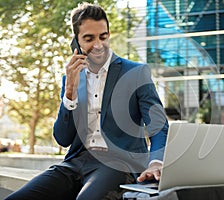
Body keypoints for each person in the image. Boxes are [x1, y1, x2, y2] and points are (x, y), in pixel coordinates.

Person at [5, 2, 168, 200]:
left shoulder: (136, 72)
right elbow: (63, 139)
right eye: (89, 39)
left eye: (103, 36)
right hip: (76, 162)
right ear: (76, 41)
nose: (98, 45)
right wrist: (70, 92)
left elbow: (158, 125)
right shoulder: (71, 78)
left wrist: (156, 161)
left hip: (119, 163)